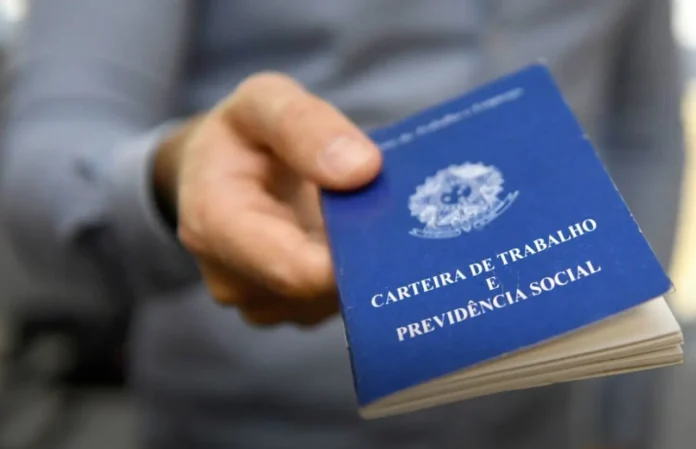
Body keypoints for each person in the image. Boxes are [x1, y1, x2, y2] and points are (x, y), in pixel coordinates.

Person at [0, 1, 685, 448]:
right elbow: (53, 140)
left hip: (545, 412)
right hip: (257, 415)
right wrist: (173, 177)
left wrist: (624, 391)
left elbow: (641, 128)